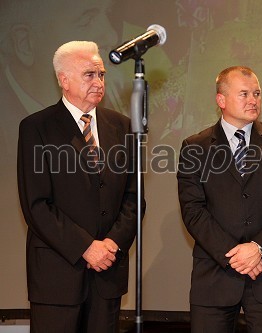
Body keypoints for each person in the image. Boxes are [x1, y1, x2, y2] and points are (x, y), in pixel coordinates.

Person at [17, 41, 143, 332]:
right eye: (89, 74)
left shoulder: (123, 126)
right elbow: (36, 205)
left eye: (101, 74)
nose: (98, 82)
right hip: (57, 276)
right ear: (64, 80)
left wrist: (111, 244)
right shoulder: (37, 127)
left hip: (107, 274)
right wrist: (86, 247)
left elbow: (134, 197)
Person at [177, 66, 262, 332]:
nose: (253, 100)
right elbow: (193, 211)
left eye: (257, 93)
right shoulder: (195, 147)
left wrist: (257, 249)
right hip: (214, 275)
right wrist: (236, 256)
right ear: (221, 100)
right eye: (244, 94)